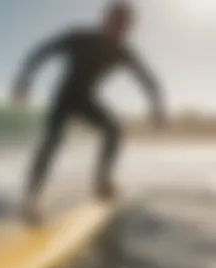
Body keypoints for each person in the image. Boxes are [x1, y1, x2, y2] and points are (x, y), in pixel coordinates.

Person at [11, 1, 166, 224]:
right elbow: (42, 51)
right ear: (105, 20)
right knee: (52, 143)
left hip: (86, 100)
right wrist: (24, 79)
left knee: (113, 132)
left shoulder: (123, 52)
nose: (119, 30)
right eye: (115, 23)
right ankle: (31, 199)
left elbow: (146, 78)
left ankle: (101, 182)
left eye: (124, 26)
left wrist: (156, 106)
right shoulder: (79, 38)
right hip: (64, 98)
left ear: (129, 28)